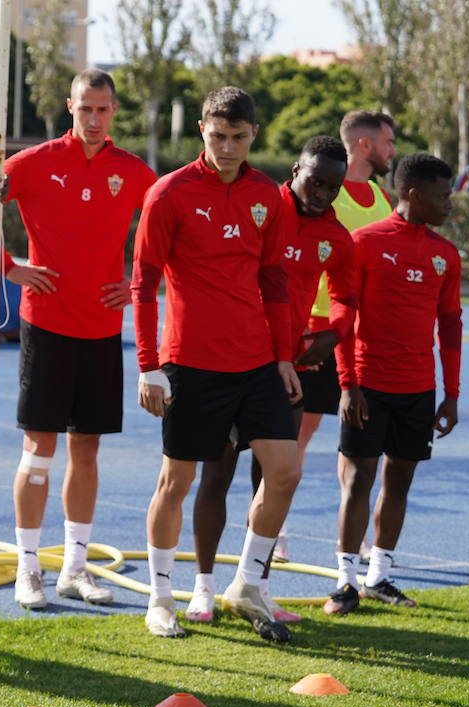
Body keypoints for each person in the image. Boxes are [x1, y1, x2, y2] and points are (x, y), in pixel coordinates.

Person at [0, 68, 155, 610]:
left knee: (86, 452)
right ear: (70, 107)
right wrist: (7, 266)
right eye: (84, 109)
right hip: (45, 324)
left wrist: (140, 281)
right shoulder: (33, 162)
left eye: (103, 109)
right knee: (39, 449)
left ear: (114, 111)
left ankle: (75, 568)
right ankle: (29, 571)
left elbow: (168, 225)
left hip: (101, 328)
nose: (94, 119)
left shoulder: (133, 171)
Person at [131, 86, 300, 643]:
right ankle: (160, 600)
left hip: (255, 362)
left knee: (285, 470)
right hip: (189, 363)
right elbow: (144, 284)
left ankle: (247, 584)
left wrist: (283, 356)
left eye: (238, 136)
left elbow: (274, 279)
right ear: (202, 130)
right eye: (218, 135)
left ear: (254, 134)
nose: (227, 147)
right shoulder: (168, 193)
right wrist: (148, 365)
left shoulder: (266, 196)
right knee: (175, 482)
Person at [186, 135, 358, 625]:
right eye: (315, 180)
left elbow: (347, 295)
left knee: (274, 479)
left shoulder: (337, 237)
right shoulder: (259, 207)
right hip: (230, 358)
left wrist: (334, 334)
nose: (323, 193)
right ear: (295, 168)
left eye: (333, 187)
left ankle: (254, 586)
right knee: (216, 474)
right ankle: (202, 589)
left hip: (287, 369)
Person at [323, 152, 461, 615]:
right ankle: (345, 581)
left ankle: (379, 575)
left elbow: (451, 327)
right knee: (359, 478)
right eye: (442, 197)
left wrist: (452, 395)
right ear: (413, 195)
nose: (449, 205)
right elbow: (343, 316)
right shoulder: (363, 242)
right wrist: (347, 385)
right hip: (367, 384)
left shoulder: (445, 255)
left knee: (400, 479)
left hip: (418, 389)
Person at [288, 111, 397, 561]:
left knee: (354, 438)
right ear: (366, 145)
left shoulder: (380, 198)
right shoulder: (321, 194)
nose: (394, 149)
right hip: (314, 329)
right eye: (389, 141)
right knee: (297, 434)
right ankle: (273, 527)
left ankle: (347, 541)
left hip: (357, 335)